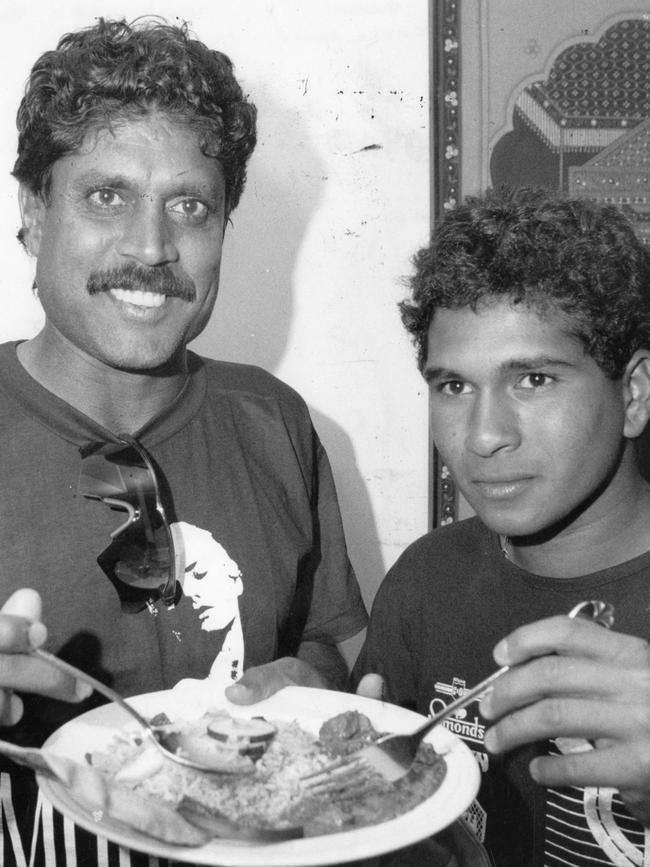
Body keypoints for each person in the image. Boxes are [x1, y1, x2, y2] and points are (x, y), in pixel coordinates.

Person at [0, 17, 368, 866]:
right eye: (106, 195)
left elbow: (323, 643)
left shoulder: (272, 418)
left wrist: (309, 683)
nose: (150, 247)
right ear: (31, 213)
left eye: (190, 207)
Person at [353, 186, 650, 867]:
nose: (483, 436)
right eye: (454, 386)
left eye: (535, 379)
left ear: (632, 393)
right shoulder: (427, 578)